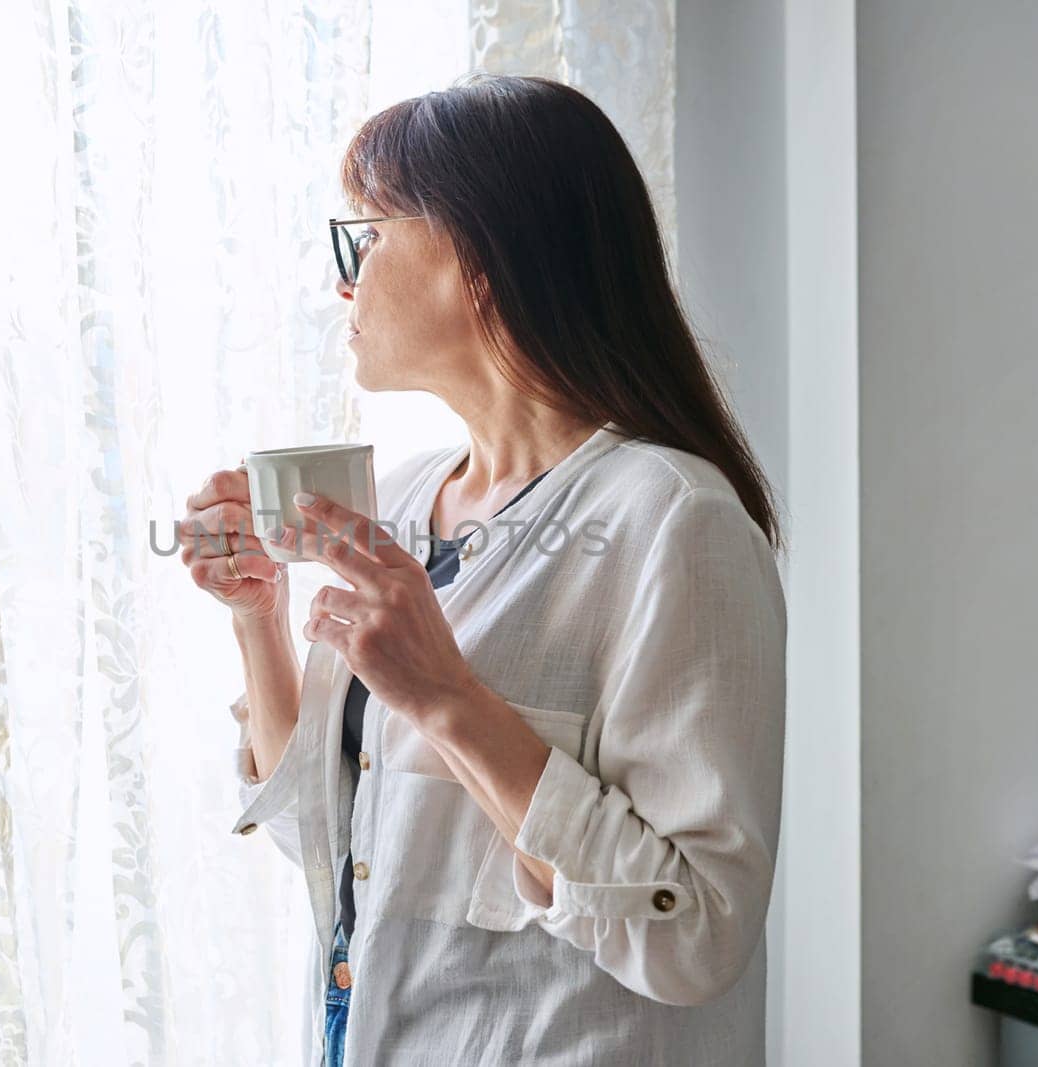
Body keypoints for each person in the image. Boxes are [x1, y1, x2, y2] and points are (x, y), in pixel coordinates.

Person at [177, 72, 786, 1067]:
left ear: (480, 257)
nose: (343, 280)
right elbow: (333, 855)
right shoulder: (407, 500)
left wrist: (449, 697)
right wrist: (257, 616)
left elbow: (696, 935)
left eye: (364, 237)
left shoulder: (672, 520)